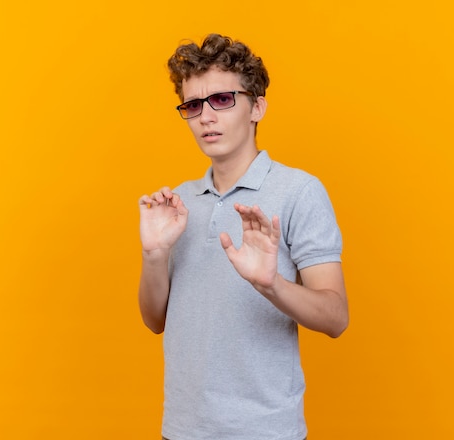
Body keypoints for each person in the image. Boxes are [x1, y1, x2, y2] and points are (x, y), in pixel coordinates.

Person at [138, 33, 348, 440]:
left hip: (266, 430)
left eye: (221, 99)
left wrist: (271, 285)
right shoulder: (177, 203)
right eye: (193, 105)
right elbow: (155, 320)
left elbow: (336, 317)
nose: (205, 117)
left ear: (258, 107)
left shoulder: (299, 191)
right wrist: (154, 254)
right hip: (181, 430)